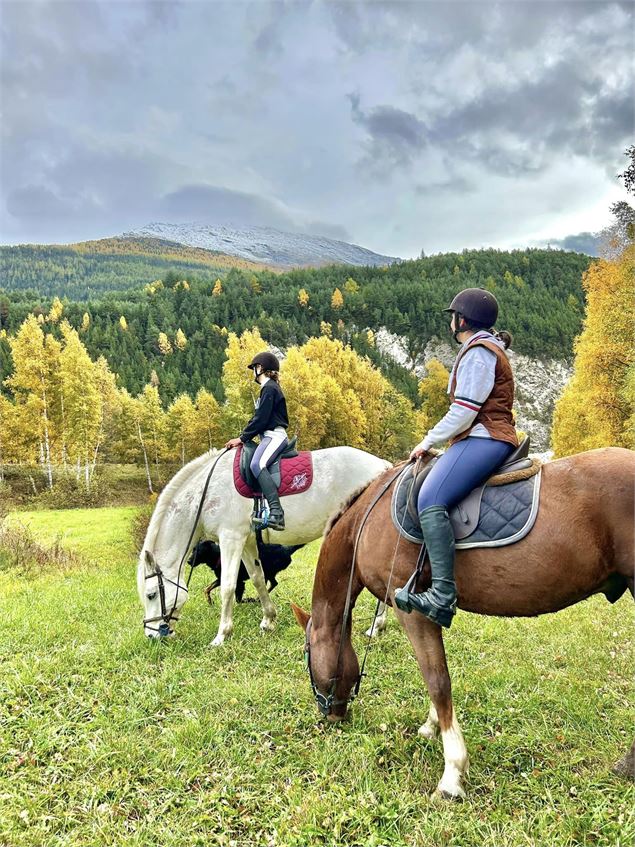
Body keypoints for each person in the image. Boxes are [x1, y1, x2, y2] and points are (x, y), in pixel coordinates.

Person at [395, 288, 518, 627]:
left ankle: (442, 594)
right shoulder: (484, 348)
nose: (451, 321)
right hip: (485, 436)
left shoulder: (478, 352)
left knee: (430, 498)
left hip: (485, 437)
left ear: (461, 319)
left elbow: (464, 411)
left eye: (453, 316)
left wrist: (427, 440)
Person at [225, 352, 289, 530]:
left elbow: (261, 419)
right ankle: (263, 511)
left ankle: (276, 513)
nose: (254, 371)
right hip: (268, 436)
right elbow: (257, 419)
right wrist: (244, 436)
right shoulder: (268, 389)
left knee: (257, 464)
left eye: (255, 367)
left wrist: (242, 438)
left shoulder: (269, 388)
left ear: (261, 368)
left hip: (274, 436)